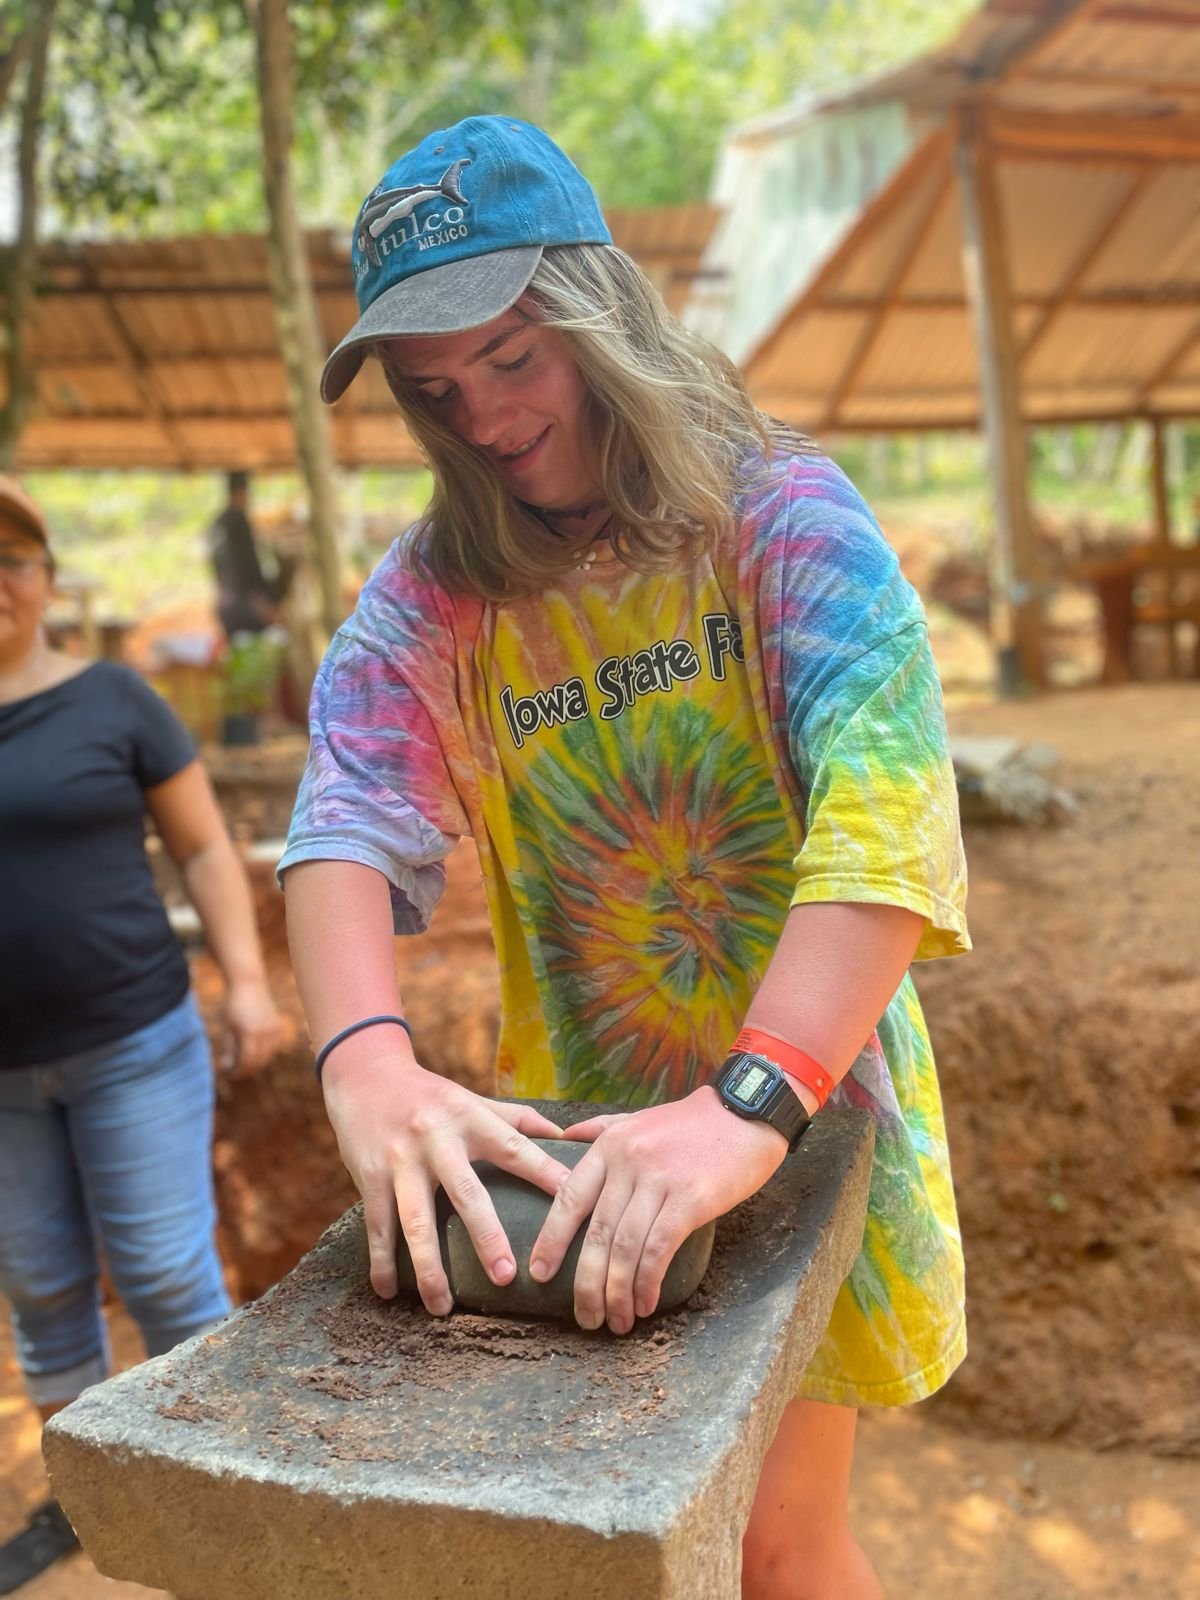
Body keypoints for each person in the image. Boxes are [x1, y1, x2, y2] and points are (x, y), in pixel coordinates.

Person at [279, 116, 969, 1600]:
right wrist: (367, 1067)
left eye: (514, 358)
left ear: (605, 311)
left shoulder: (775, 521)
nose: (484, 417)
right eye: (434, 388)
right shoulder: (444, 595)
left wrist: (749, 1104)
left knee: (775, 1549)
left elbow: (889, 811)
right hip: (586, 1156)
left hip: (799, 1112)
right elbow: (343, 809)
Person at [0, 477, 281, 1593]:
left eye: (11, 561)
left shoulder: (117, 699)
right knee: (40, 1281)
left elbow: (209, 852)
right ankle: (84, 1496)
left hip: (134, 1038)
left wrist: (248, 982)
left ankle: (222, 1492)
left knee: (166, 1271)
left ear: (47, 579)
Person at [208, 470, 286, 639]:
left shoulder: (217, 523)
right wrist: (269, 597)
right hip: (245, 606)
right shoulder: (239, 522)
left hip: (224, 604)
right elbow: (250, 564)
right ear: (243, 492)